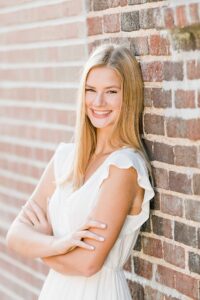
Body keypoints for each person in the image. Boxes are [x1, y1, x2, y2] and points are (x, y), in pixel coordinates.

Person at [6, 43, 155, 299]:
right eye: (90, 90)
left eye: (111, 92)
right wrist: (59, 245)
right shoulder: (65, 158)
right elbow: (14, 236)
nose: (98, 102)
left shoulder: (125, 167)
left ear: (128, 96)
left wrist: (39, 246)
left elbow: (87, 264)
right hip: (55, 290)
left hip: (98, 291)